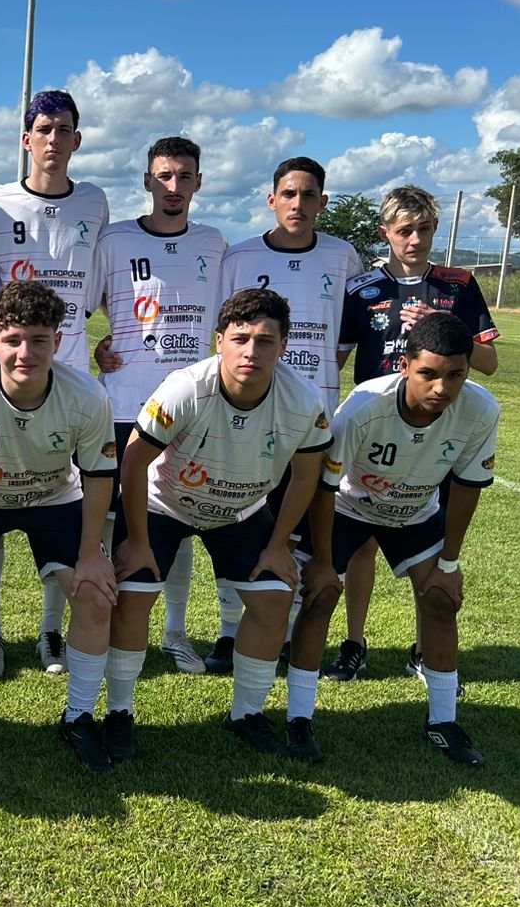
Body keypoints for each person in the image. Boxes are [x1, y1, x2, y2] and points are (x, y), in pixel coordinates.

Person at [111, 288, 334, 762]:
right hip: (165, 504)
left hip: (241, 510)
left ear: (284, 346)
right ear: (219, 342)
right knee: (133, 593)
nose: (251, 351)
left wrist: (278, 545)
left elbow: (306, 476)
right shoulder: (186, 387)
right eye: (240, 339)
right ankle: (119, 713)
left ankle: (247, 713)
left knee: (274, 600)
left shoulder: (303, 400)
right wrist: (136, 540)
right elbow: (133, 461)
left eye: (265, 341)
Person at [0, 281, 119, 771]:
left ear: (58, 340)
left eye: (38, 340)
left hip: (53, 497)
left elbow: (98, 476)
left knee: (95, 595)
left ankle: (79, 717)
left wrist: (91, 553)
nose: (25, 353)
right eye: (12, 340)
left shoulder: (87, 395)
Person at [289, 313, 499, 766]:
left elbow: (467, 488)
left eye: (455, 375)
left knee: (441, 600)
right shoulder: (365, 407)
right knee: (319, 595)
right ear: (404, 366)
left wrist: (449, 563)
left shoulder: (481, 410)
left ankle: (443, 721)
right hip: (348, 508)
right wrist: (322, 560)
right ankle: (298, 717)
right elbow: (325, 486)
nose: (441, 388)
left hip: (415, 513)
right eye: (428, 374)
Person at [324, 185, 501, 683]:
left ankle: (424, 651)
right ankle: (354, 643)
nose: (415, 239)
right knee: (360, 541)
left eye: (424, 229)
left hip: (436, 434)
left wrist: (445, 325)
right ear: (386, 232)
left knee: (430, 544)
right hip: (374, 434)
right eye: (405, 230)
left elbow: (489, 363)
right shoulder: (362, 289)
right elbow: (335, 361)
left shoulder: (458, 285)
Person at [0, 89, 109, 674]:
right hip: (5, 380)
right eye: (44, 129)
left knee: (62, 504)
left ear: (77, 139)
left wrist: (110, 339)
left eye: (63, 129)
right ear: (27, 139)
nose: (54, 139)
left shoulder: (95, 201)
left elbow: (104, 280)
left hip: (68, 384)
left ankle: (51, 630)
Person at [204, 157, 360, 674]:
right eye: (288, 194)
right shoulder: (239, 257)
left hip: (314, 417)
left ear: (323, 202)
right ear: (272, 200)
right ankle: (230, 632)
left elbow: (345, 339)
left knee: (298, 532)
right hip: (245, 416)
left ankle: (287, 634)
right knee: (240, 519)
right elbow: (221, 335)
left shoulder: (343, 256)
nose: (298, 204)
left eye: (308, 194)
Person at [93, 137, 226, 675]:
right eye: (164, 176)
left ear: (199, 182)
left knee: (179, 512)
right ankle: (107, 625)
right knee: (112, 520)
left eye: (184, 176)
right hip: (125, 401)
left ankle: (174, 632)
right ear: (147, 181)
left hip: (192, 405)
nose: (174, 187)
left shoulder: (214, 243)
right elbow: (89, 304)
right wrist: (102, 347)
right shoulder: (114, 239)